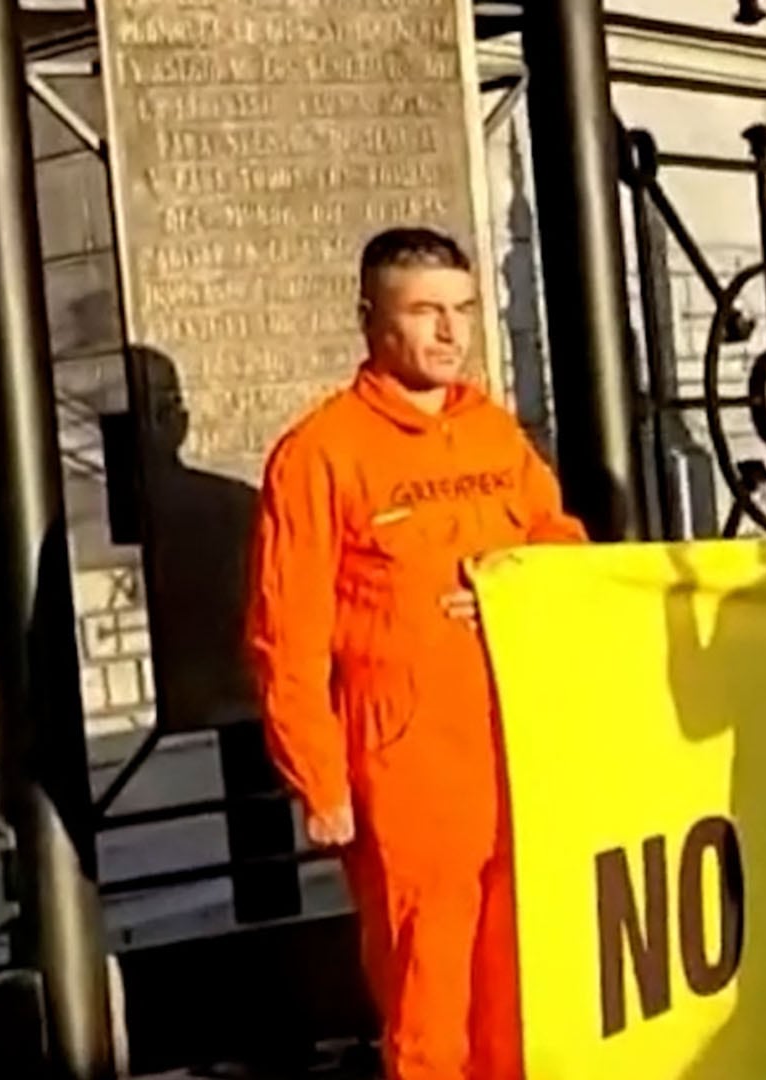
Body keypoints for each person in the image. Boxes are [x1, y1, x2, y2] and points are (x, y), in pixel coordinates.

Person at [245, 227, 587, 1080]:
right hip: (406, 770)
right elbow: (284, 636)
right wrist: (320, 782)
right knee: (430, 994)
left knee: (527, 980)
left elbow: (560, 537)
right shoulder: (319, 454)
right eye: (425, 312)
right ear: (372, 321)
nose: (450, 332)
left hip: (519, 751)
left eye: (463, 310)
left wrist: (519, 579)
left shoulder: (492, 431)